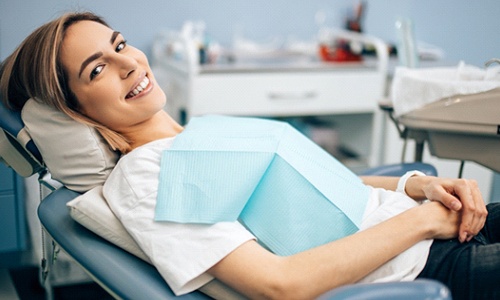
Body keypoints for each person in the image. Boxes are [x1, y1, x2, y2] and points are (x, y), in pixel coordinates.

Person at [0, 11, 498, 300]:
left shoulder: (186, 140)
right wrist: (424, 223)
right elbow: (278, 285)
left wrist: (419, 187)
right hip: (424, 265)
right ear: (75, 113)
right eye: (97, 70)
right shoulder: (147, 176)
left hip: (429, 228)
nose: (130, 63)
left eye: (121, 44)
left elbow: (323, 186)